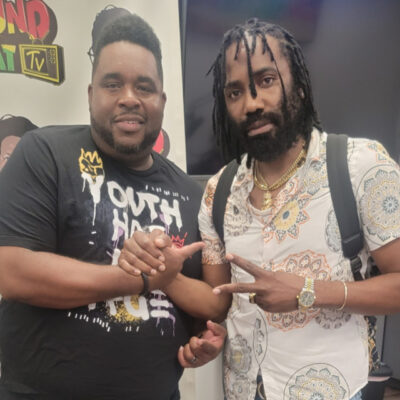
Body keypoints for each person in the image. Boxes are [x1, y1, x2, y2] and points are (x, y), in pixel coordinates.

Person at [118, 18, 400, 400]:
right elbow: (219, 301)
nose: (251, 104)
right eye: (234, 92)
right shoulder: (219, 191)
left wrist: (308, 291)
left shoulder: (360, 167)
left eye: (266, 80)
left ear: (299, 85)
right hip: (243, 390)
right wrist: (167, 275)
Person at [0, 14, 229, 400]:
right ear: (91, 94)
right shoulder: (44, 153)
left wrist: (203, 338)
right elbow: (13, 272)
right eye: (112, 84)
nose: (129, 98)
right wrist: (142, 279)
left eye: (144, 87)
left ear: (162, 101)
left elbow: (206, 304)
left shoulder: (191, 193)